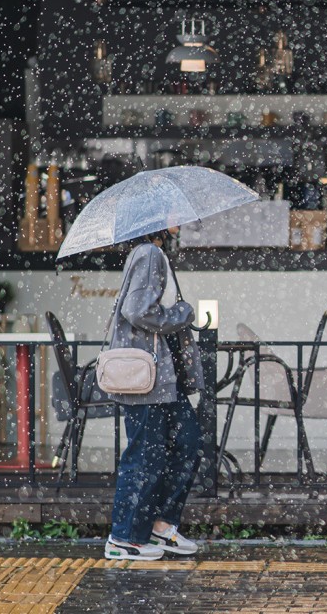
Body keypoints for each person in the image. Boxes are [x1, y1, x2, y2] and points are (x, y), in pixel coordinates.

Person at [104, 227, 203, 561]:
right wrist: (181, 314)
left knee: (187, 441)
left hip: (163, 378)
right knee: (145, 455)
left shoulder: (154, 253)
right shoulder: (148, 254)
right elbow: (138, 310)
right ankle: (124, 537)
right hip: (148, 377)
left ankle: (160, 525)